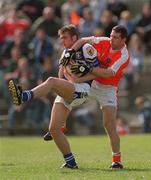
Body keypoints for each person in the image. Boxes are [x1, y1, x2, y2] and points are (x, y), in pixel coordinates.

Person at [8, 24, 99, 169]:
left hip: (82, 89)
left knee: (50, 81)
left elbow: (98, 73)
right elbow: (61, 76)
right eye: (60, 37)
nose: (62, 40)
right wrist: (67, 68)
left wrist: (80, 72)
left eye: (65, 37)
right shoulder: (65, 53)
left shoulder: (86, 48)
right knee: (54, 130)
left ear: (74, 38)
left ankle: (24, 96)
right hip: (69, 89)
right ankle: (71, 162)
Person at [61, 25, 130, 169]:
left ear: (123, 39)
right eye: (111, 35)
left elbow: (109, 73)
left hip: (108, 89)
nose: (111, 39)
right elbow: (83, 40)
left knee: (109, 125)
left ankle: (116, 160)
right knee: (69, 94)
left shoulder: (124, 56)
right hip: (92, 82)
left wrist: (88, 68)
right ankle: (59, 126)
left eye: (115, 37)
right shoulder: (104, 41)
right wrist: (70, 52)